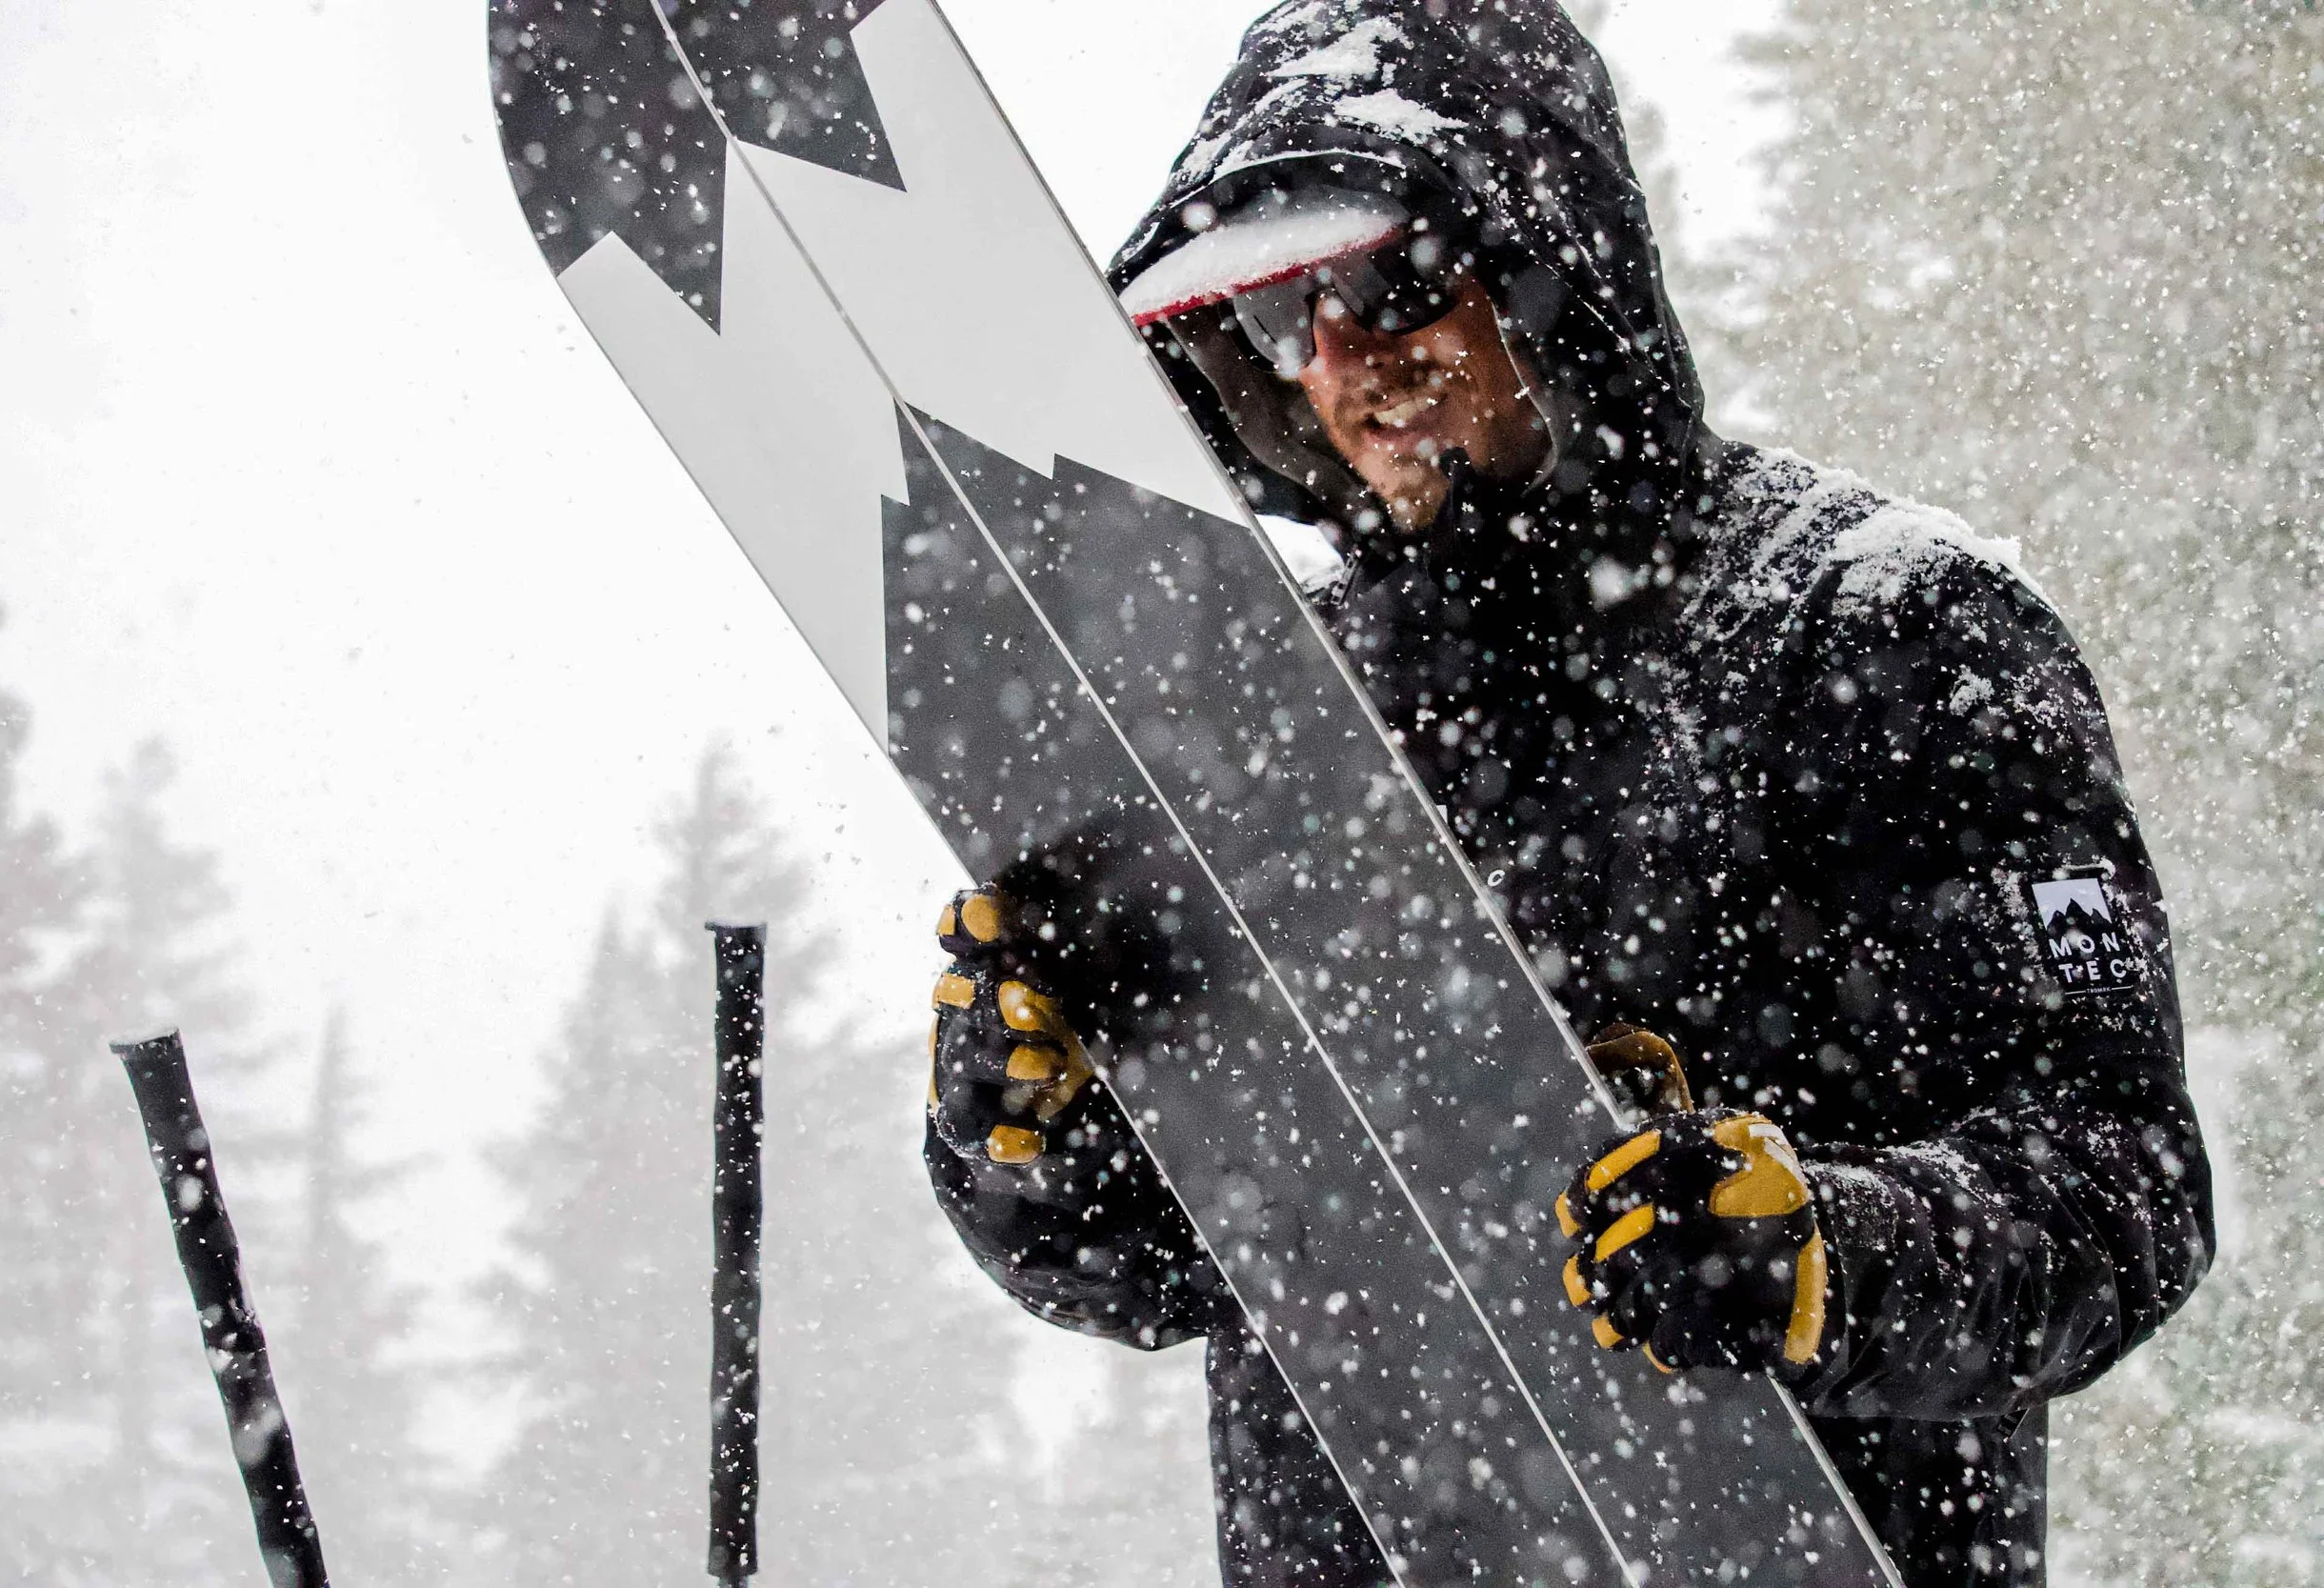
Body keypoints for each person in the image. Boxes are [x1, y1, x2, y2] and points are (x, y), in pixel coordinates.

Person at [920, 3, 2214, 1584]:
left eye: (1384, 280)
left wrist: (1826, 1257)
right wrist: (1035, 1145)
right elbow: (1167, 1267)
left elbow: (2118, 1176)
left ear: (1554, 270)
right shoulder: (1267, 732)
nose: (1342, 361)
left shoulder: (1886, 632)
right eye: (1273, 322)